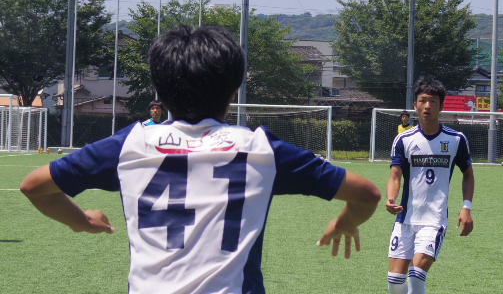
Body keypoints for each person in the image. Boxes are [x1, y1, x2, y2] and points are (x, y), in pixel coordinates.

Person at [21, 25, 381, 294]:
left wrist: (81, 221)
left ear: (160, 89)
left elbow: (35, 187)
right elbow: (367, 194)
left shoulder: (131, 144)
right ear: (233, 90)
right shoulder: (259, 148)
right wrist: (345, 222)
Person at [385, 77, 475, 294]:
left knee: (416, 277)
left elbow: (468, 174)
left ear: (441, 106)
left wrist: (466, 207)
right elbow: (395, 176)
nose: (427, 106)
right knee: (395, 283)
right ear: (415, 105)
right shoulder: (403, 139)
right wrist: (390, 198)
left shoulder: (456, 139)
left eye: (433, 101)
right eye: (423, 101)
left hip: (434, 220)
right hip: (405, 219)